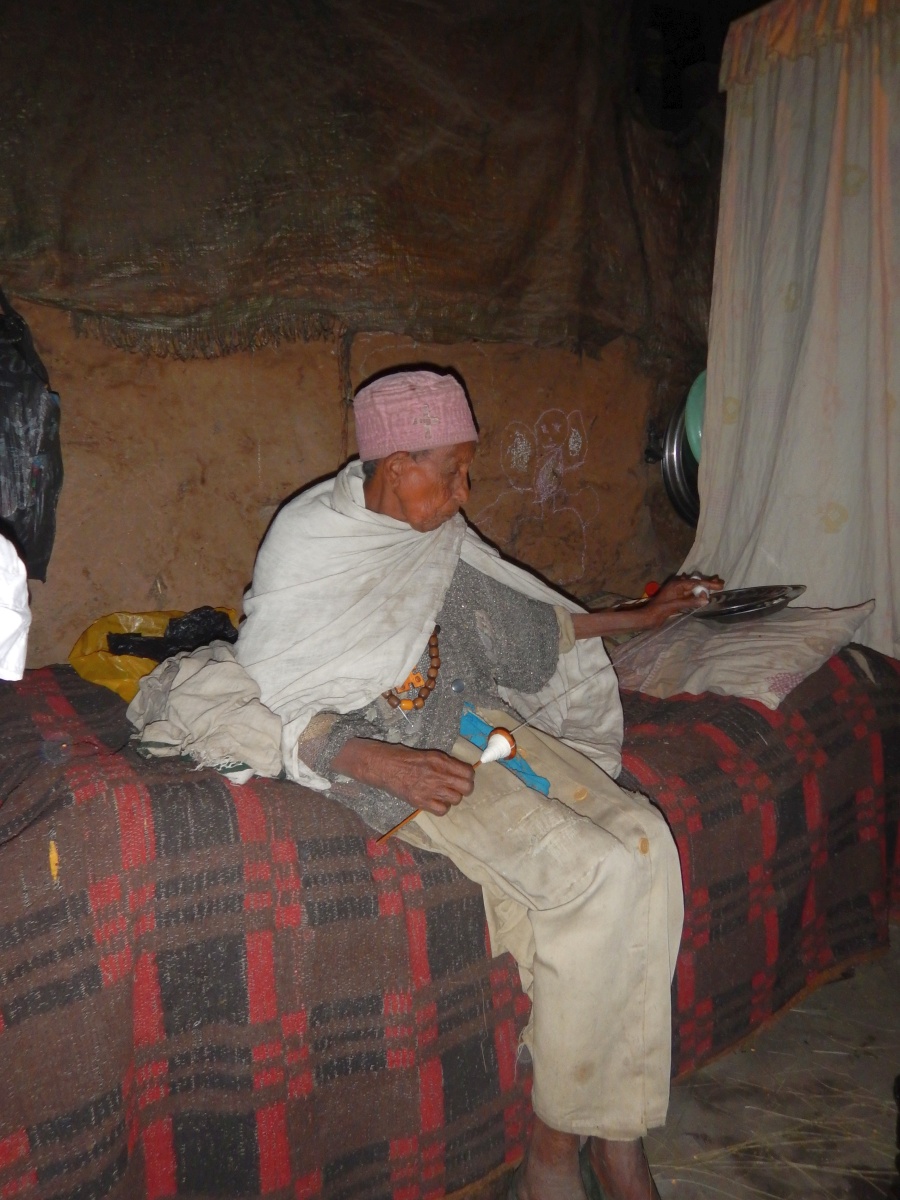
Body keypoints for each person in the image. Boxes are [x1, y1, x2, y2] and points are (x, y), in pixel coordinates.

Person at [236, 368, 723, 1200]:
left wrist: (636, 617)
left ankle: (612, 1136)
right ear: (396, 468)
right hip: (389, 755)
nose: (466, 491)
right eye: (453, 470)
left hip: (469, 723)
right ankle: (553, 1151)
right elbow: (266, 686)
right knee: (595, 871)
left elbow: (524, 621)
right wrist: (372, 760)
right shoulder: (311, 543)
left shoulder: (430, 535)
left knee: (648, 844)